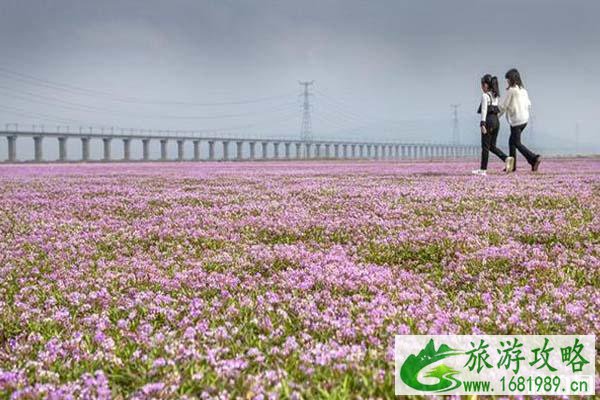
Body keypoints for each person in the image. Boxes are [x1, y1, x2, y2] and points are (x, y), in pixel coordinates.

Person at [499, 68, 541, 172]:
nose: (507, 81)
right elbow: (529, 104)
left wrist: (496, 117)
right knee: (512, 142)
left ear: (512, 79)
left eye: (508, 79)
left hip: (516, 121)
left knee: (516, 142)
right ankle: (512, 167)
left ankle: (533, 158)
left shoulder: (512, 90)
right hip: (524, 120)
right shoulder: (523, 90)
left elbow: (504, 106)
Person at [472, 74, 513, 176]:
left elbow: (484, 110)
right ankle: (506, 158)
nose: (481, 87)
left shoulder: (485, 96)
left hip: (489, 121)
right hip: (496, 122)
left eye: (482, 85)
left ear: (486, 85)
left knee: (485, 147)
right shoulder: (495, 96)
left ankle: (483, 170)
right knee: (492, 146)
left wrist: (482, 124)